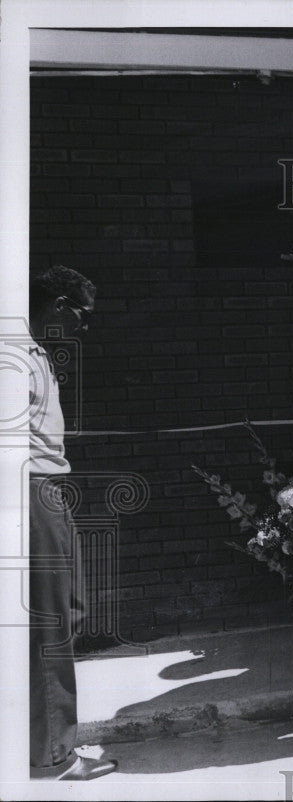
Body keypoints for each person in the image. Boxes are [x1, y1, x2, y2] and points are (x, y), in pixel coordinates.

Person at [28, 266, 118, 780]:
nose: (84, 327)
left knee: (70, 613)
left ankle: (42, 740)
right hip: (30, 490)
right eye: (81, 316)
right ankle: (54, 757)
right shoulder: (16, 356)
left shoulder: (37, 352)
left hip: (48, 489)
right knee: (50, 624)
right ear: (60, 304)